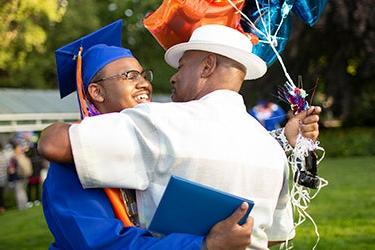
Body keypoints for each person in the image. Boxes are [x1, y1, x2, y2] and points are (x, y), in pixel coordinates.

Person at [39, 24, 321, 249]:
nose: (146, 83)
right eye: (129, 75)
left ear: (207, 67)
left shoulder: (161, 125)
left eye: (142, 74)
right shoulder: (72, 165)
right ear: (96, 93)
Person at [7, 139, 32, 210]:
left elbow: (11, 170)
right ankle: (25, 204)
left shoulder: (13, 158)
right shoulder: (23, 156)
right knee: (23, 191)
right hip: (25, 176)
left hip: (17, 177)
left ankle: (21, 206)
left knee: (19, 192)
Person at [0, 143, 8, 214]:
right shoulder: (3, 155)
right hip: (3, 178)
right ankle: (2, 208)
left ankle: (2, 208)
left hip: (1, 178)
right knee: (1, 194)